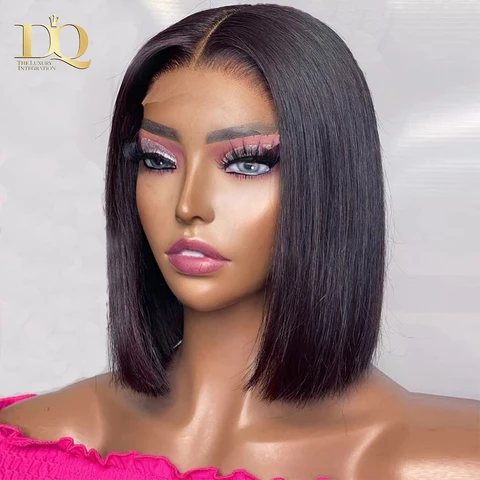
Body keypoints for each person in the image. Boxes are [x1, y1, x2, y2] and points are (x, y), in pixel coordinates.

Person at [0, 3, 478, 480]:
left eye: (247, 164)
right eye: (159, 160)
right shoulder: (27, 448)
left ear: (330, 183)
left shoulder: (449, 460)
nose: (188, 205)